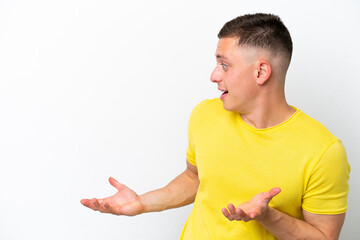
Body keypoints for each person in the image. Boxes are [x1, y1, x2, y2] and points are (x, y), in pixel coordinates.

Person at [81, 13, 350, 239]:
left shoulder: (323, 150)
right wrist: (141, 203)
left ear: (261, 72)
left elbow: (324, 236)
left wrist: (268, 217)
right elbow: (195, 178)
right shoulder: (205, 115)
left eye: (224, 64)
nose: (214, 75)